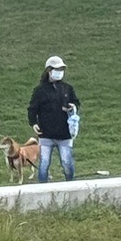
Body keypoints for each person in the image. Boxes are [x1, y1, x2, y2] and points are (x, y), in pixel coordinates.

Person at [27, 53, 80, 183]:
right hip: (46, 133)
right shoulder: (40, 91)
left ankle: (70, 185)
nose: (59, 72)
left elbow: (76, 103)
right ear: (49, 71)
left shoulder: (67, 88)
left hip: (65, 133)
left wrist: (72, 107)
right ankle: (42, 188)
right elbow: (32, 109)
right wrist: (33, 123)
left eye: (61, 70)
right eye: (56, 70)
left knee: (67, 163)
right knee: (44, 164)